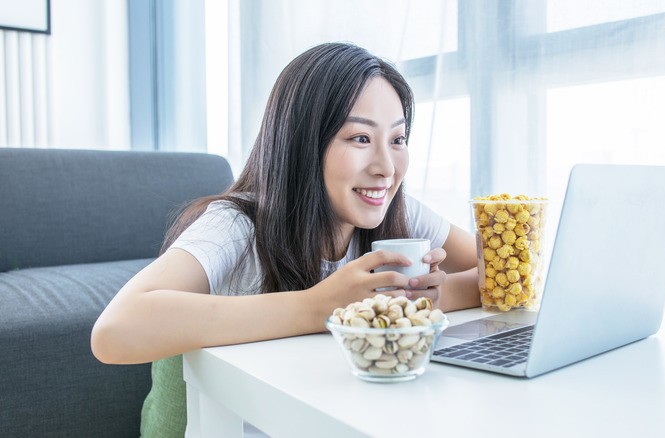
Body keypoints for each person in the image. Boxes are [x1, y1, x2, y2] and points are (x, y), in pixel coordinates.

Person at [91, 42, 479, 436]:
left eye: (397, 140)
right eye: (360, 138)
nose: (385, 168)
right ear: (303, 143)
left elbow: (497, 275)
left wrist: (417, 303)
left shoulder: (396, 211)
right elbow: (114, 331)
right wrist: (319, 307)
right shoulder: (237, 225)